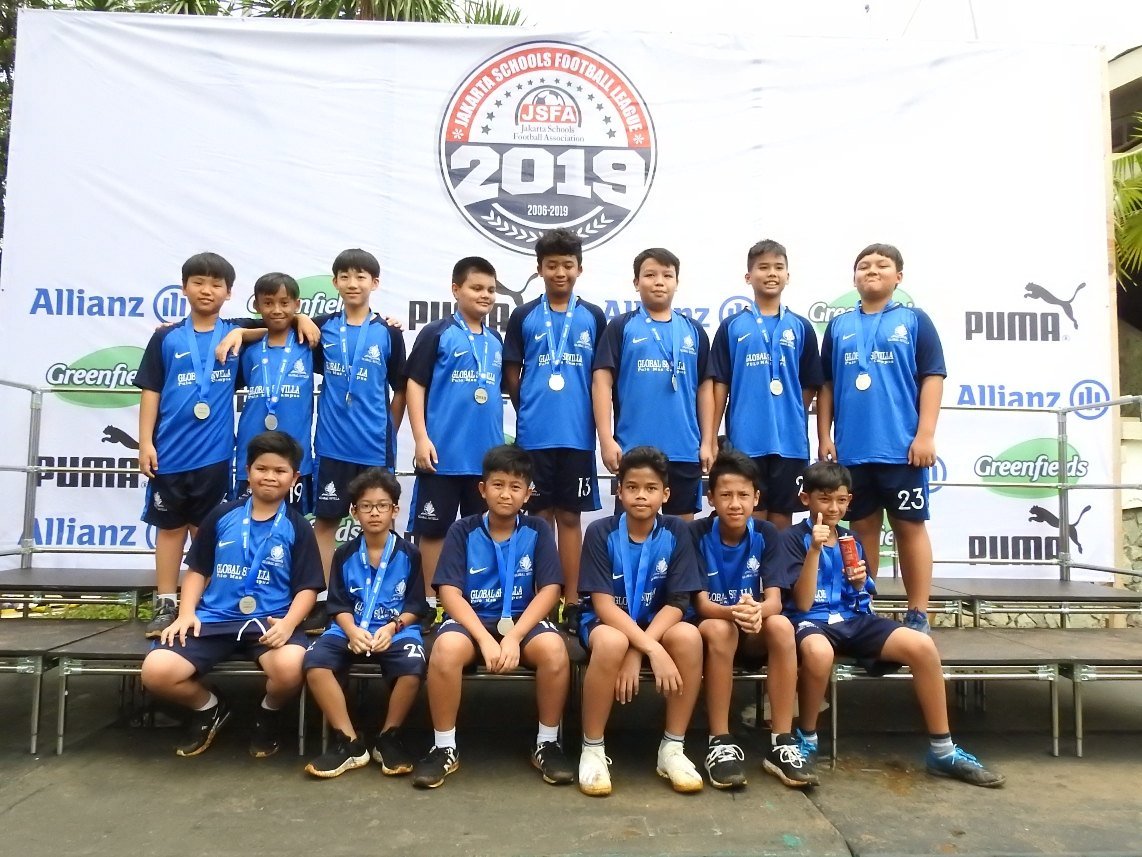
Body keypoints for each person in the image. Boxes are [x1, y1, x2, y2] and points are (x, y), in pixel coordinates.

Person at [778, 461, 1005, 788]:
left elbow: (864, 594)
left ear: (849, 501)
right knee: (818, 652)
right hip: (810, 622)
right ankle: (808, 738)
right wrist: (814, 550)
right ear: (806, 499)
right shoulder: (790, 538)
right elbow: (801, 603)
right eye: (824, 499)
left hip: (855, 620)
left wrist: (859, 583)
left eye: (841, 500)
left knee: (921, 645)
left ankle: (943, 751)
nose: (833, 508)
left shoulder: (851, 539)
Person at [139, 431, 324, 757]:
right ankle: (209, 707)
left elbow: (307, 588)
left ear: (294, 478)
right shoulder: (222, 515)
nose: (270, 477)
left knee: (291, 668)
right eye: (262, 468)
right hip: (214, 619)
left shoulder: (298, 527)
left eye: (280, 471)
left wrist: (288, 624)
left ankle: (268, 714)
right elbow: (198, 570)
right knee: (156, 672)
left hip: (268, 622)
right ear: (247, 471)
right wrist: (186, 613)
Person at [411, 445, 572, 789]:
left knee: (555, 650)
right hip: (474, 622)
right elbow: (449, 592)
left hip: (522, 622)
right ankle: (444, 747)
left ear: (528, 493)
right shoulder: (462, 530)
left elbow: (550, 590)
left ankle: (547, 743)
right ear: (482, 489)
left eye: (516, 487)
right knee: (445, 649)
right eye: (498, 485)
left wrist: (514, 637)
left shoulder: (538, 530)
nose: (506, 494)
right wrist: (485, 638)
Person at [816, 243, 945, 633]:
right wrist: (824, 436)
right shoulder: (839, 326)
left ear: (898, 277)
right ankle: (862, 608)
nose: (872, 270)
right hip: (853, 452)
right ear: (854, 277)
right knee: (861, 532)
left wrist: (925, 435)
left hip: (903, 450)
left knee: (910, 526)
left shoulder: (915, 320)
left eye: (882, 265)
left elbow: (932, 377)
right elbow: (827, 385)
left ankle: (918, 611)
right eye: (863, 266)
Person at [577, 446, 705, 797]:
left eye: (651, 488)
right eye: (632, 487)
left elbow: (678, 603)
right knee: (612, 641)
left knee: (689, 637)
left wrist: (642, 649)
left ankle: (672, 748)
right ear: (619, 491)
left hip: (658, 622)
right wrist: (651, 649)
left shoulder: (677, 531)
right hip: (608, 623)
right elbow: (603, 605)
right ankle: (592, 749)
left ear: (666, 494)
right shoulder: (600, 532)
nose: (641, 496)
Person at [135, 252, 250, 639]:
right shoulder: (166, 337)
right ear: (184, 288)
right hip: (169, 454)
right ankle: (166, 601)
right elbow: (151, 391)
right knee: (170, 530)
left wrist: (243, 333)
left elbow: (277, 324)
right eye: (198, 282)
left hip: (214, 456)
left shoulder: (235, 335)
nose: (207, 290)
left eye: (217, 284)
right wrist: (145, 442)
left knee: (207, 530)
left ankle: (203, 602)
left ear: (229, 293)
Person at [689, 447, 817, 789]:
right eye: (726, 495)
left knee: (782, 625)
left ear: (756, 498)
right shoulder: (695, 533)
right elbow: (700, 604)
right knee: (721, 630)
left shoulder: (767, 533)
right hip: (712, 627)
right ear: (711, 498)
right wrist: (735, 612)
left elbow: (774, 600)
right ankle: (719, 741)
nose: (735, 504)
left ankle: (782, 741)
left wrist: (757, 611)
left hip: (752, 624)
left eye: (743, 495)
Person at [504, 228, 607, 634]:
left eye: (567, 265)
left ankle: (573, 601)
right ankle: (539, 597)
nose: (560, 272)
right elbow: (512, 373)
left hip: (578, 437)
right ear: (539, 269)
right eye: (552, 265)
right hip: (535, 436)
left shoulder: (593, 316)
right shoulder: (524, 316)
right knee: (538, 517)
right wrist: (528, 407)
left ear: (580, 268)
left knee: (569, 517)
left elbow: (601, 378)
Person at [302, 468, 427, 778]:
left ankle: (388, 737)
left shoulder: (410, 553)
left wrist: (392, 627)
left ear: (394, 510)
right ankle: (349, 742)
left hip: (395, 630)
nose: (374, 513)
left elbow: (415, 605)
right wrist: (352, 630)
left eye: (382, 505)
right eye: (366, 506)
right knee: (315, 662)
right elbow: (337, 604)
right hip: (349, 629)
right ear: (353, 511)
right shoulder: (344, 554)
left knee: (413, 666)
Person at [406, 257, 506, 622]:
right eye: (476, 288)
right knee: (433, 531)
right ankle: (431, 606)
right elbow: (415, 384)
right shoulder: (437, 333)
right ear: (456, 289)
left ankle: (476, 603)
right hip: (443, 455)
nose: (485, 295)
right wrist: (421, 438)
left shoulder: (495, 340)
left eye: (490, 290)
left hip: (485, 460)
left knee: (482, 532)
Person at [309, 249, 407, 622]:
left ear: (374, 283)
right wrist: (300, 317)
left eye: (361, 276)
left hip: (374, 447)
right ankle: (320, 600)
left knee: (381, 521)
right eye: (345, 276)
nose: (353, 283)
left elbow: (401, 386)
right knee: (325, 522)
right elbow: (278, 324)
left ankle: (382, 597)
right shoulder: (320, 328)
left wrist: (390, 428)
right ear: (335, 282)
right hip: (333, 445)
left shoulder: (388, 331)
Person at [708, 239, 822, 530]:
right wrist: (710, 439)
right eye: (763, 267)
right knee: (750, 518)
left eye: (778, 267)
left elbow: (810, 383)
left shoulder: (801, 327)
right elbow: (720, 385)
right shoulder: (732, 326)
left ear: (788, 276)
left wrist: (789, 411)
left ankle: (778, 565)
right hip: (745, 442)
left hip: (789, 443)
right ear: (748, 277)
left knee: (782, 519)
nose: (771, 273)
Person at [593, 248, 713, 520]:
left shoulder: (694, 331)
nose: (659, 282)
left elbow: (705, 388)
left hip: (684, 450)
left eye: (667, 275)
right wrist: (606, 439)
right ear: (636, 282)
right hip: (633, 451)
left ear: (677, 282)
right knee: (631, 534)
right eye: (650, 275)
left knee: (681, 533)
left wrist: (707, 441)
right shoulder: (621, 326)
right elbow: (602, 381)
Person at [231, 272, 315, 511]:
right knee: (247, 521)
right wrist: (240, 332)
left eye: (284, 303)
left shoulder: (309, 344)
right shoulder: (247, 349)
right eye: (268, 303)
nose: (277, 310)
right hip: (251, 456)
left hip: (294, 459)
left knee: (292, 523)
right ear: (257, 306)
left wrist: (302, 318)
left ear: (296, 305)